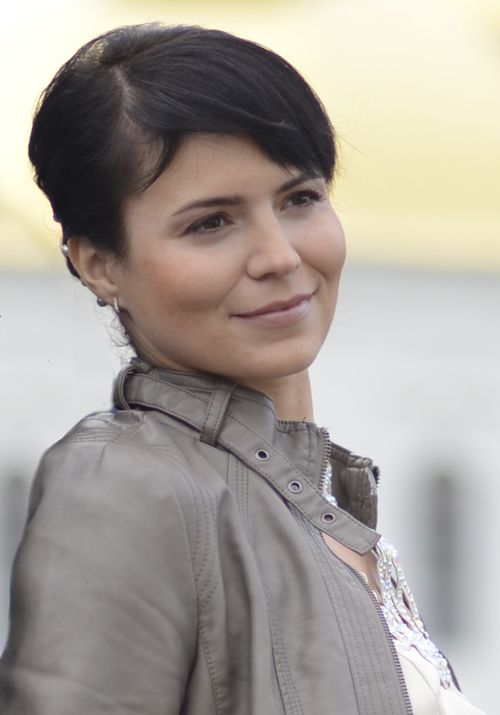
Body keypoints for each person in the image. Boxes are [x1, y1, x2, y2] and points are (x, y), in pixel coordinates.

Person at [0, 22, 486, 715]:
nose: (280, 256)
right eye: (211, 223)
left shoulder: (318, 504)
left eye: (300, 199)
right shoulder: (130, 487)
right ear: (99, 263)